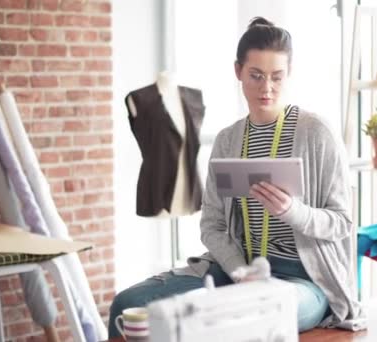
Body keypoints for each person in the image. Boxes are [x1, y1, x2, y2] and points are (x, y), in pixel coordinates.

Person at [108, 17, 363, 338]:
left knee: (249, 314)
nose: (266, 88)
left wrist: (292, 211)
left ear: (290, 73)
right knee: (128, 303)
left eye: (276, 77)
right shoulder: (229, 140)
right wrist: (240, 271)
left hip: (303, 280)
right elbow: (212, 224)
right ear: (238, 71)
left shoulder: (317, 133)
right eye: (255, 76)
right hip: (237, 269)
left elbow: (342, 222)